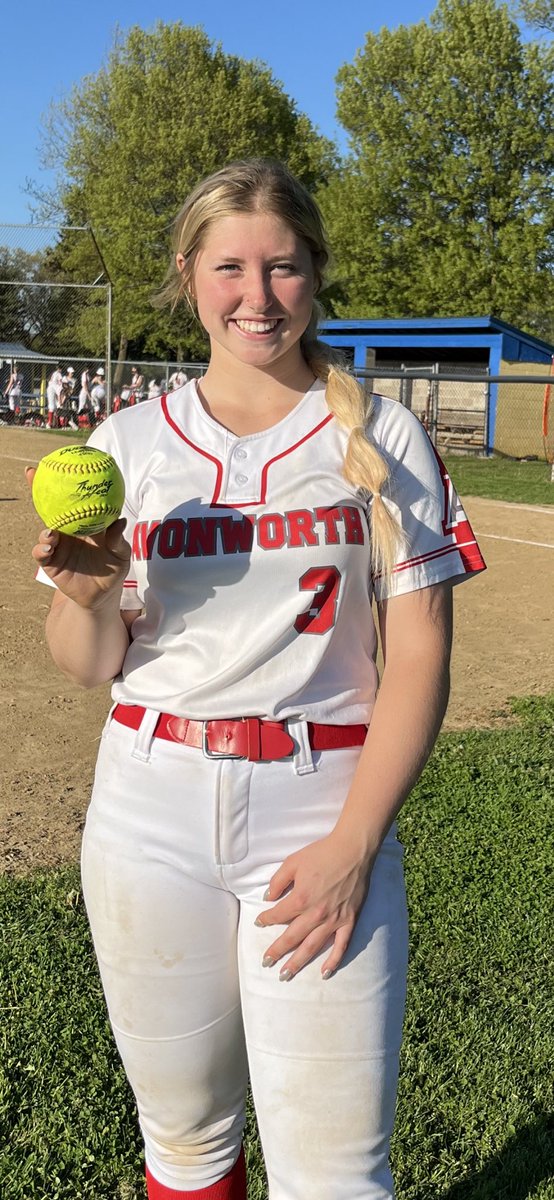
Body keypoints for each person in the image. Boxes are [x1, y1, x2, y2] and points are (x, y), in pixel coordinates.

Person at [28, 159, 486, 1200]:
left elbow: (420, 656)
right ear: (188, 273)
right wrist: (87, 597)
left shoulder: (381, 435)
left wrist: (353, 845)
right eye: (229, 267)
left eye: (282, 267)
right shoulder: (130, 443)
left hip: (318, 809)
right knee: (186, 1145)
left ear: (314, 273)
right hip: (148, 811)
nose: (257, 295)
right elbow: (91, 664)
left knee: (335, 1175)